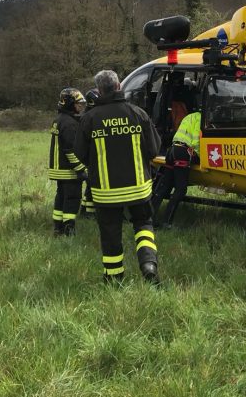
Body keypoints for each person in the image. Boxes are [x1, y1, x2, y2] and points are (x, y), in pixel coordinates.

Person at [77, 70, 162, 284]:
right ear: (118, 87)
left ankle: (114, 279)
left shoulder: (89, 119)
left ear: (99, 90)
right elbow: (154, 150)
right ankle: (148, 264)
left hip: (105, 193)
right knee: (143, 225)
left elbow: (79, 153)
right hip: (139, 189)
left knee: (110, 233)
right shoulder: (138, 113)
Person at [151, 110, 201, 227]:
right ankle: (166, 222)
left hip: (172, 150)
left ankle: (149, 219)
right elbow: (196, 141)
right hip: (184, 152)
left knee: (165, 187)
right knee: (180, 189)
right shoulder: (201, 119)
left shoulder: (189, 116)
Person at [48, 88, 87, 236]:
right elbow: (70, 150)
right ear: (70, 103)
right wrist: (80, 169)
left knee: (61, 197)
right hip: (68, 170)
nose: (80, 107)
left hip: (58, 169)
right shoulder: (70, 123)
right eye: (78, 104)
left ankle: (58, 227)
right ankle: (69, 229)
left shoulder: (58, 120)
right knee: (72, 198)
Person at [79, 88, 101, 218]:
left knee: (91, 183)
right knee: (92, 183)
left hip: (91, 154)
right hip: (91, 155)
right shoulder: (89, 116)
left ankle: (85, 210)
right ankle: (89, 212)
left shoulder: (89, 114)